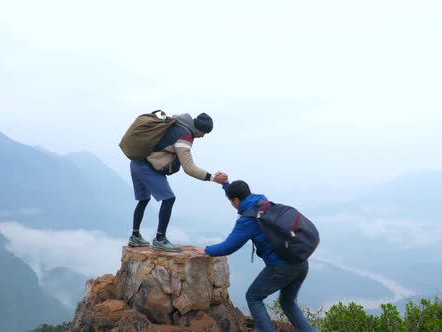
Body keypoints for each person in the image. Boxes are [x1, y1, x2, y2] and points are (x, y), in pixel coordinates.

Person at [203, 180, 313, 332]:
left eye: (231, 201)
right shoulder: (261, 201)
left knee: (253, 297)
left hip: (282, 267)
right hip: (301, 261)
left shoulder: (248, 220)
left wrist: (205, 250)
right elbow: (239, 194)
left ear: (235, 200)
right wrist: (226, 185)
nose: (232, 204)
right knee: (288, 302)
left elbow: (228, 247)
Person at [128, 113, 228, 252]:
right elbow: (189, 168)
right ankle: (160, 239)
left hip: (137, 161)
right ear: (198, 128)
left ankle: (135, 236)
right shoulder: (185, 135)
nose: (202, 136)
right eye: (203, 132)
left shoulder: (176, 124)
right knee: (169, 199)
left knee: (144, 199)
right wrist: (212, 178)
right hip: (148, 166)